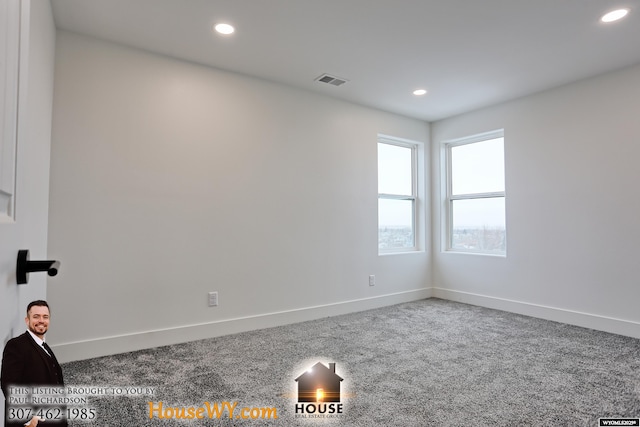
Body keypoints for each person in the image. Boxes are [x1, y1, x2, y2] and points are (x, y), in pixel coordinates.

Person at [1, 301, 67, 427]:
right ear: (27, 320)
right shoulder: (16, 345)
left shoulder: (44, 345)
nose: (41, 320)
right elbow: (9, 386)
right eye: (36, 316)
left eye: (45, 317)